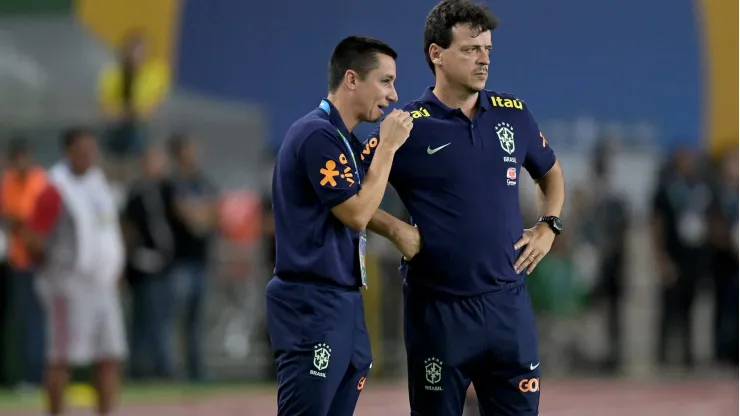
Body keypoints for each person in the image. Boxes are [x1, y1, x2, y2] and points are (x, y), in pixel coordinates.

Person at [364, 1, 566, 414]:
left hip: (508, 307)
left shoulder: (514, 115)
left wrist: (549, 224)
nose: (483, 59)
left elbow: (552, 172)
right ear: (436, 54)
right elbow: (347, 195)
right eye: (471, 49)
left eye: (487, 49)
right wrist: (395, 229)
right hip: (439, 313)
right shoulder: (406, 125)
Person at [265, 35, 414, 415]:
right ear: (351, 79)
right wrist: (387, 150)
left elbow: (351, 203)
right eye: (385, 81)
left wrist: (397, 230)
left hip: (342, 299)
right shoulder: (316, 135)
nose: (393, 94)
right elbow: (357, 212)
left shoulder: (340, 138)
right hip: (311, 301)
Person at [23, 127, 127, 415]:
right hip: (68, 283)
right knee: (62, 356)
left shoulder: (98, 183)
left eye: (92, 150)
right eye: (82, 151)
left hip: (102, 282)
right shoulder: (55, 188)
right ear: (67, 152)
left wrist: (112, 268)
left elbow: (107, 230)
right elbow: (32, 237)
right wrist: (53, 263)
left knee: (109, 355)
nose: (88, 156)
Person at [166, 133, 219, 382]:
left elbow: (213, 214)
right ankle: (174, 370)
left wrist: (199, 213)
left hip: (200, 260)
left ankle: (197, 371)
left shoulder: (203, 181)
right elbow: (185, 215)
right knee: (177, 318)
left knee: (197, 321)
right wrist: (199, 214)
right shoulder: (173, 183)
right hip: (180, 260)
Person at [121, 144, 175, 380]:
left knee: (160, 318)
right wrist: (132, 256)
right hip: (144, 264)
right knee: (147, 319)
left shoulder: (164, 190)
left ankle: (157, 366)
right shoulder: (138, 192)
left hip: (164, 263)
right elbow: (129, 228)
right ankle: (145, 369)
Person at [1, 138, 48, 389]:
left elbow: (40, 219)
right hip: (18, 261)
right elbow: (11, 217)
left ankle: (36, 376)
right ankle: (20, 375)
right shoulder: (7, 182)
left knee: (37, 320)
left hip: (40, 260)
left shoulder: (40, 181)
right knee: (20, 320)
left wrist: (26, 225)